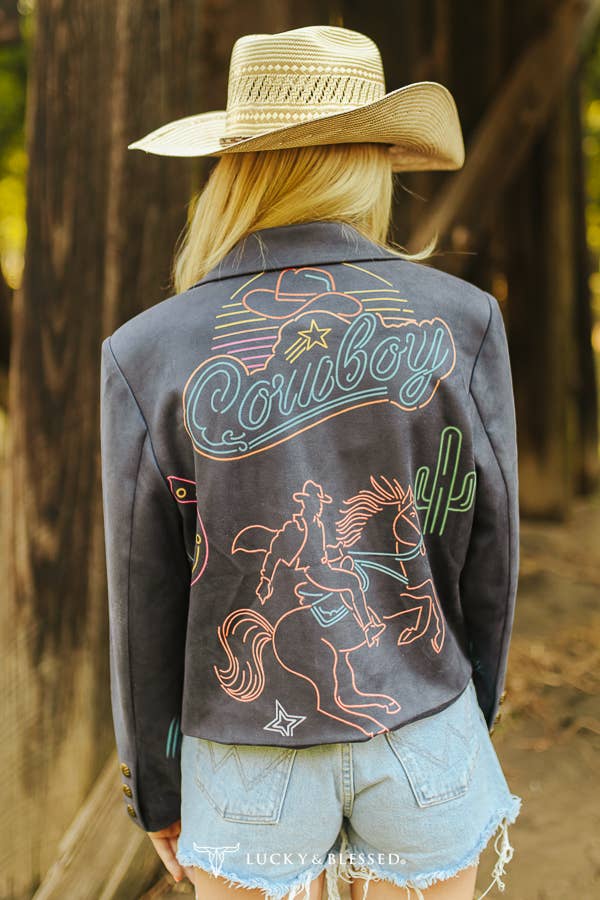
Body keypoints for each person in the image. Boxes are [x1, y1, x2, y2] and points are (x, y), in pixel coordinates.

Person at [100, 24, 522, 900]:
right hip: (424, 723)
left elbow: (144, 592)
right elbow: (490, 549)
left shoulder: (146, 350)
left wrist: (156, 786)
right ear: (371, 161)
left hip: (245, 756)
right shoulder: (464, 319)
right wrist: (470, 710)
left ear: (236, 166)